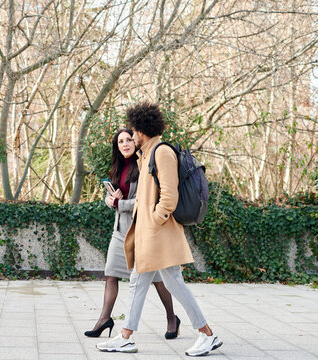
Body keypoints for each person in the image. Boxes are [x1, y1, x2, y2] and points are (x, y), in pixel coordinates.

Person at [96, 102, 223, 356]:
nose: (131, 136)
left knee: (173, 282)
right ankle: (126, 336)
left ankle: (206, 333)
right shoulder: (147, 153)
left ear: (142, 129)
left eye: (133, 131)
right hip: (148, 233)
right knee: (139, 282)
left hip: (158, 233)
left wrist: (154, 220)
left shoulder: (162, 152)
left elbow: (169, 196)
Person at [85, 129, 180, 340]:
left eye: (128, 139)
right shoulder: (117, 168)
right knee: (110, 274)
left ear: (135, 142)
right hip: (119, 231)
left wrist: (119, 203)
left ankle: (172, 318)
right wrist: (110, 201)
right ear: (116, 146)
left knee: (157, 279)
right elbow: (112, 198)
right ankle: (104, 319)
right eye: (120, 141)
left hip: (141, 230)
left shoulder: (142, 164)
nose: (125, 144)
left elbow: (144, 201)